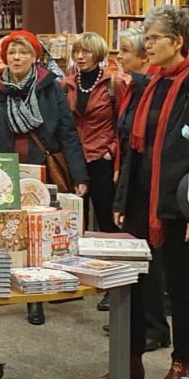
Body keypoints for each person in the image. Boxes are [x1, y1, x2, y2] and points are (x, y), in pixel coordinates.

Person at [95, 6, 189, 379]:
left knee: (179, 285)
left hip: (180, 204)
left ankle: (182, 364)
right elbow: (130, 146)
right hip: (140, 200)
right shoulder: (146, 84)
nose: (146, 44)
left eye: (154, 37)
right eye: (147, 37)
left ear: (178, 42)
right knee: (132, 282)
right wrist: (122, 199)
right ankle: (130, 359)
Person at [0, 30, 90, 325]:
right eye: (12, 52)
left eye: (23, 52)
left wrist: (79, 174)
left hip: (40, 171)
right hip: (0, 171)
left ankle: (34, 299)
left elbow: (67, 133)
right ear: (4, 57)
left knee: (34, 239)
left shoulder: (51, 89)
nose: (17, 57)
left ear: (35, 56)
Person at [107, 26, 172, 353]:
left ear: (143, 57)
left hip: (150, 188)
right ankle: (142, 325)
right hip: (132, 183)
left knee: (151, 261)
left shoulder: (150, 91)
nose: (119, 57)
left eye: (125, 52)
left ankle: (155, 326)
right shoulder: (133, 88)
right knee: (139, 260)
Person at [62, 32, 124, 234]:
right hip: (73, 157)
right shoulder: (67, 84)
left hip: (101, 157)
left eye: (86, 52)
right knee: (73, 220)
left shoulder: (114, 84)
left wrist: (111, 150)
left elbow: (123, 123)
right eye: (76, 52)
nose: (80, 56)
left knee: (106, 218)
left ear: (97, 54)